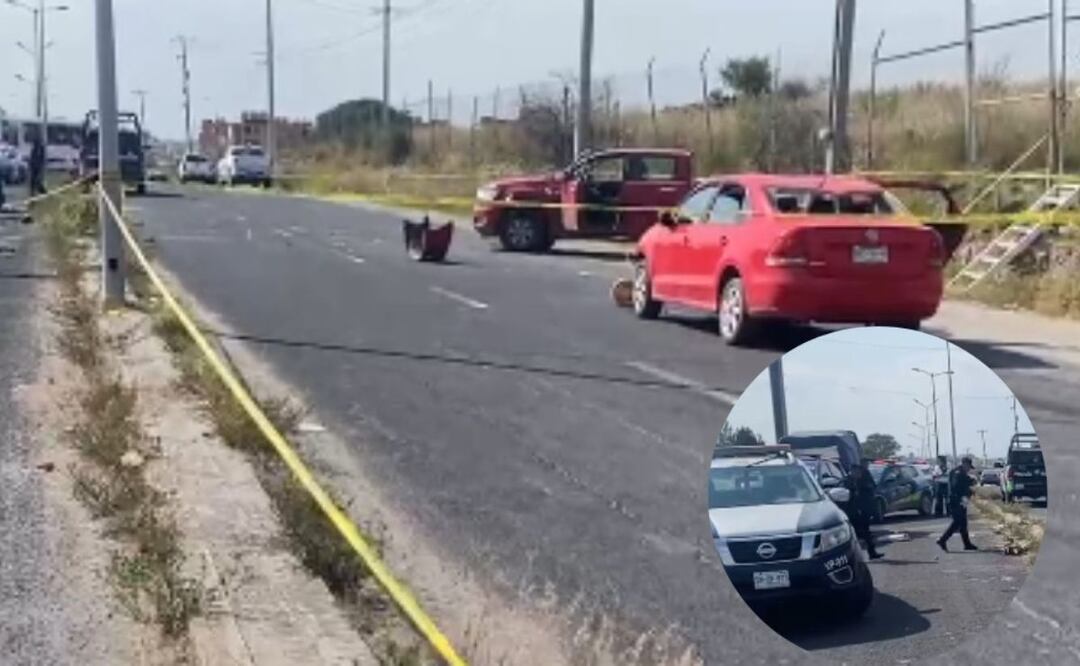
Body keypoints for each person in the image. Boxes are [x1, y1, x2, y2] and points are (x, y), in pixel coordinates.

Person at [843, 462, 884, 559]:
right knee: (854, 535)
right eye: (857, 472)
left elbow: (870, 491)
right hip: (852, 513)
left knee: (866, 533)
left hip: (862, 511)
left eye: (860, 472)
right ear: (852, 471)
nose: (859, 474)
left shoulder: (861, 481)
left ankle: (871, 553)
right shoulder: (847, 482)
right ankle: (853, 557)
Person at [937, 456, 978, 552]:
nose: (969, 469)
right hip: (955, 501)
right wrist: (969, 484)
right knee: (957, 522)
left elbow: (964, 483)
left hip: (961, 501)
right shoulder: (958, 473)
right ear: (965, 464)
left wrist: (970, 484)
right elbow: (956, 486)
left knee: (963, 523)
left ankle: (967, 544)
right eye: (968, 467)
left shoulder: (959, 472)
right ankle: (942, 540)